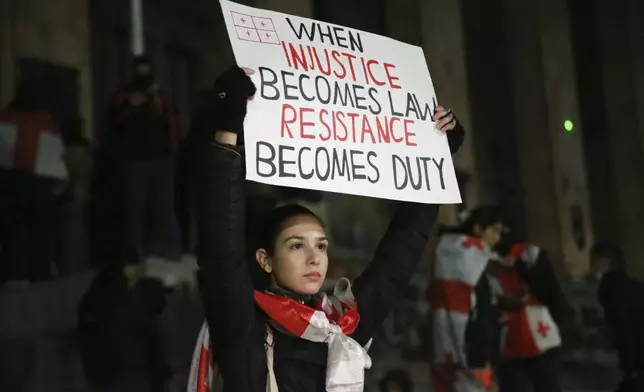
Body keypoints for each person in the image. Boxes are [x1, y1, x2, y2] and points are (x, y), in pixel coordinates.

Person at [187, 66, 464, 392]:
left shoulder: (344, 324)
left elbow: (402, 249)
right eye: (296, 245)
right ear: (265, 260)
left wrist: (437, 155)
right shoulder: (243, 325)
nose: (314, 258)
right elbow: (221, 241)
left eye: (321, 245)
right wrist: (228, 131)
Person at [107, 54, 180, 261]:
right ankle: (135, 252)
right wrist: (130, 106)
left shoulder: (161, 96)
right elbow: (114, 122)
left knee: (163, 205)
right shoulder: (123, 96)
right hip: (134, 159)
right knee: (134, 207)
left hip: (159, 159)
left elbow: (173, 125)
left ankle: (167, 248)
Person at [429, 207, 507, 392]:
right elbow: (479, 307)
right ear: (479, 229)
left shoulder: (452, 253)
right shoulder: (471, 257)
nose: (497, 239)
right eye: (494, 231)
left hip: (454, 343)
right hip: (471, 346)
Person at [78, 262, 173, 392]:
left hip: (106, 379)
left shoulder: (92, 305)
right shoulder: (133, 308)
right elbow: (152, 347)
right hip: (131, 378)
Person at [492, 241, 569, 392]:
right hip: (510, 345)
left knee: (547, 384)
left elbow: (549, 292)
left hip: (542, 339)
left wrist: (517, 252)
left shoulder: (531, 265)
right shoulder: (491, 266)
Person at [591, 243, 644, 392]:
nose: (591, 268)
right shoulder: (632, 284)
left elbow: (623, 326)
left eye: (593, 262)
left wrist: (629, 366)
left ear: (604, 261)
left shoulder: (611, 289)